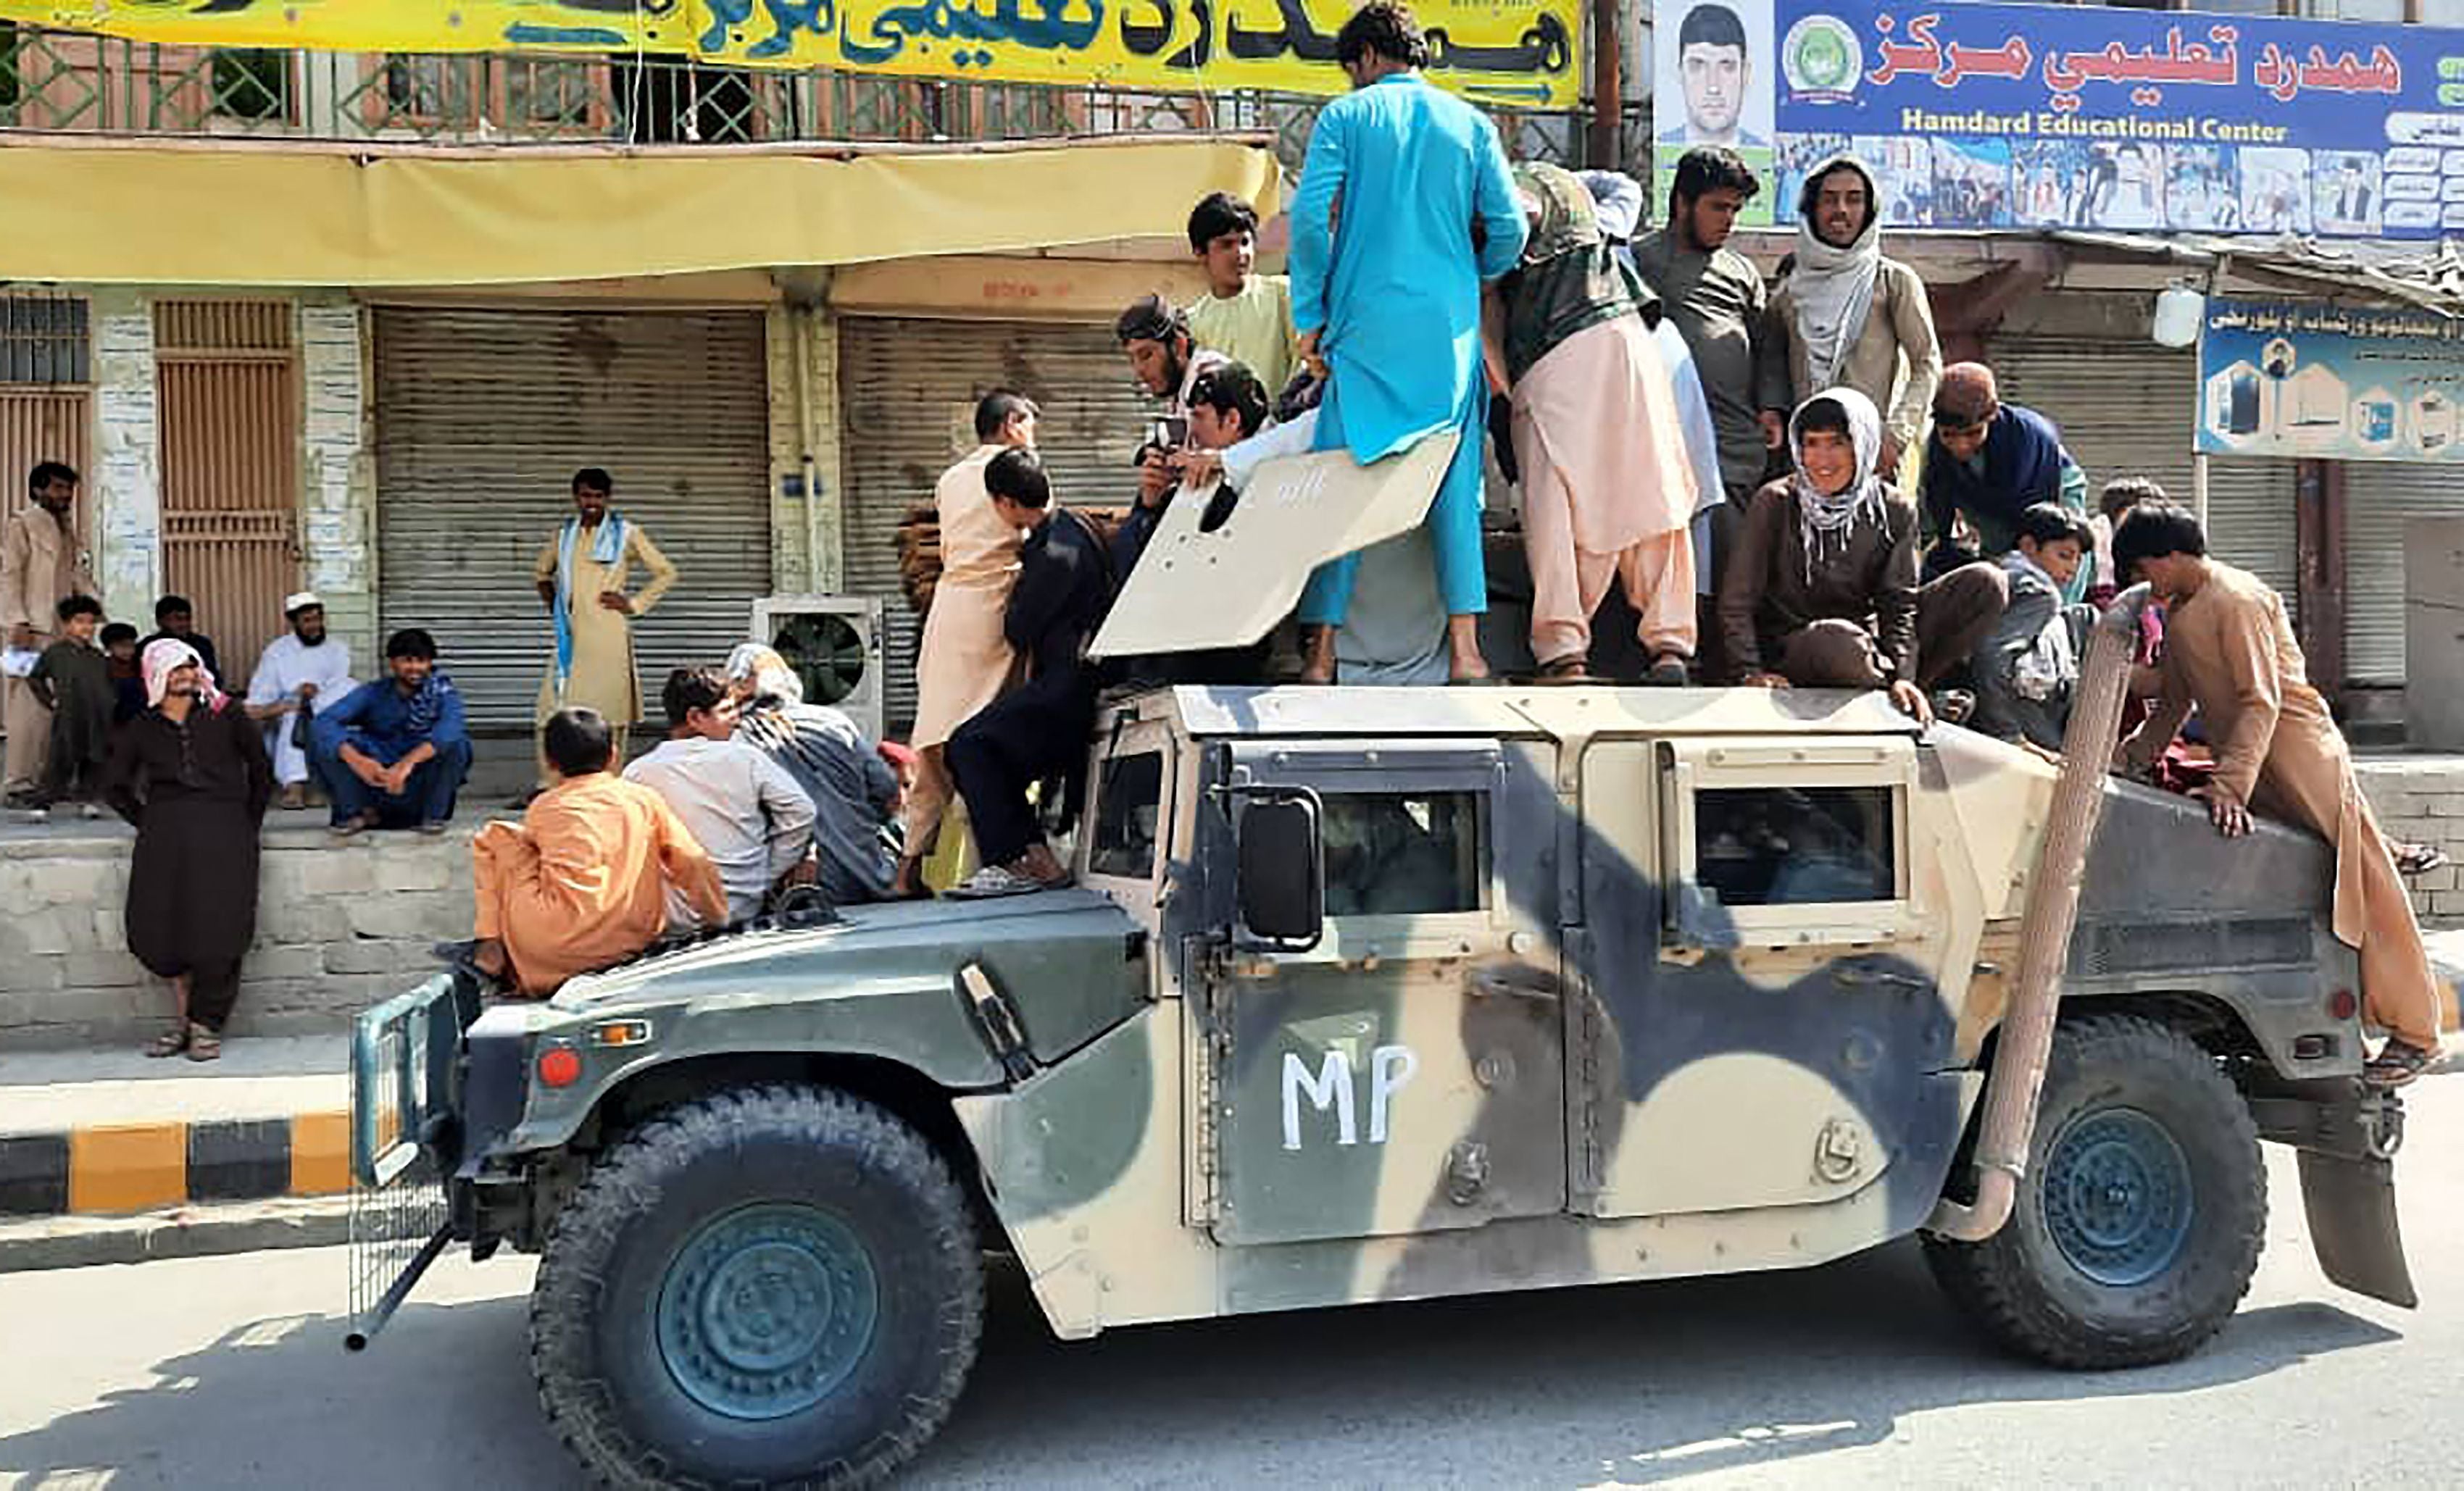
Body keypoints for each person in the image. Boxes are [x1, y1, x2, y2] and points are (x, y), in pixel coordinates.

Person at [2114, 503, 2445, 1086]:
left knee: (2364, 883)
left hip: (2297, 754)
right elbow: (2174, 700)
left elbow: (2260, 699)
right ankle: (2356, 1027)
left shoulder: (2234, 598)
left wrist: (2230, 785)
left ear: (2169, 557)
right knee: (2309, 889)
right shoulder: (2187, 609)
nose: (2147, 583)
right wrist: (2127, 758)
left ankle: (2417, 1034)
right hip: (2256, 761)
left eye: (2146, 568)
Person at [1287, 0, 1526, 684]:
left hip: (1362, 330)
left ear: (1363, 58)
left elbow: (1308, 219)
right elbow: (1509, 227)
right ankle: (1467, 652)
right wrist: (1468, 276)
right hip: (1447, 339)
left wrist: (1311, 312)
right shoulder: (1472, 124)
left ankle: (1322, 653)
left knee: (1343, 487)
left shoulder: (1345, 118)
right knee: (1454, 489)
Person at [1488, 162, 1699, 683]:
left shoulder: (1497, 199)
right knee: (1652, 487)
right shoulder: (1570, 187)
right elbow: (1623, 185)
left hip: (1554, 357)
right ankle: (1670, 645)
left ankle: (1564, 651)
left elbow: (1500, 257)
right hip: (1629, 341)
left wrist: (1509, 387)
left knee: (1557, 499)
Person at [1720, 388, 2007, 723]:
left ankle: (1907, 691)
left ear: (1864, 444)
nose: (1822, 460)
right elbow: (1737, 600)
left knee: (1987, 582)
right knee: (1835, 641)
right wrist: (1750, 671)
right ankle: (1907, 699)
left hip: (1869, 647)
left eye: (1837, 443)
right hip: (1801, 648)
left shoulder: (1894, 508)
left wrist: (1904, 674)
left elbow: (1899, 604)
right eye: (1811, 444)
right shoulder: (1776, 501)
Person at [466, 706, 728, 997]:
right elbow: (691, 861)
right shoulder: (643, 800)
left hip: (548, 949)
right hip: (627, 945)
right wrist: (717, 920)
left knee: (495, 838)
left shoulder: (545, 806)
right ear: (614, 755)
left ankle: (490, 944)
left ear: (550, 763)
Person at [946, 450, 1114, 898]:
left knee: (969, 746)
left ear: (1005, 503)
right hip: (1072, 685)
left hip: (1066, 691)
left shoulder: (1055, 551)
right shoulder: (1072, 530)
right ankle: (1037, 859)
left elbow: (1018, 629)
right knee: (989, 756)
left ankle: (1014, 862)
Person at [896, 389, 1039, 898]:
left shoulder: (950, 479)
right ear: (1011, 424)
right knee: (986, 739)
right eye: (1028, 425)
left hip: (948, 611)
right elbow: (1036, 530)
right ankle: (996, 862)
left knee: (933, 739)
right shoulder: (1017, 469)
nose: (1031, 437)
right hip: (993, 608)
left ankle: (907, 867)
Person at [103, 638, 273, 1062]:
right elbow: (115, 785)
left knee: (220, 927)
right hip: (166, 834)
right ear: (157, 675)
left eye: (190, 667)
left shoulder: (226, 713)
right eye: (175, 669)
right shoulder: (143, 726)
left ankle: (205, 1025)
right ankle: (183, 1022)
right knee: (161, 925)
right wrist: (149, 822)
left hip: (225, 830)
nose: (185, 675)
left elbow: (261, 771)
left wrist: (244, 824)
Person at [1767, 156, 1943, 478]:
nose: (1842, 210)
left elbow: (1927, 363)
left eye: (1854, 199)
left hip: (1873, 459)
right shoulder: (1788, 294)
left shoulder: (1892, 281)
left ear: (1870, 209)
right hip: (1806, 463)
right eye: (1830, 199)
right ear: (1811, 208)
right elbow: (1772, 370)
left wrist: (1896, 438)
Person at [1115, 362, 1273, 688]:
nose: (1192, 431)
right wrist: (1149, 502)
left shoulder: (1267, 485)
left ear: (1232, 420)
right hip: (1163, 665)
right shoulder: (1187, 486)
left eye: (1200, 417)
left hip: (1220, 671)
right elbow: (1128, 565)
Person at [625, 666, 818, 930]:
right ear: (695, 717)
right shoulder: (746, 758)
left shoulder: (637, 773)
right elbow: (802, 812)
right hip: (743, 905)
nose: (737, 720)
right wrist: (768, 871)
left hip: (673, 914)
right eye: (727, 711)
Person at [725, 643, 901, 906]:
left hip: (800, 880)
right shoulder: (834, 722)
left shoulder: (741, 739)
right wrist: (855, 820)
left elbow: (747, 818)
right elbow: (885, 788)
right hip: (870, 867)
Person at [532, 467, 676, 776]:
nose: (592, 502)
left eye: (598, 496)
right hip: (571, 635)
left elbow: (666, 572)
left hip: (608, 634)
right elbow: (542, 574)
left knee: (611, 712)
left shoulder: (627, 534)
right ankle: (549, 784)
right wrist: (556, 605)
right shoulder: (563, 536)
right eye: (586, 495)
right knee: (551, 708)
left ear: (608, 498)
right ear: (576, 497)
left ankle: (609, 780)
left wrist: (633, 604)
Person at [1921, 363, 2089, 590]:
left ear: (1991, 418)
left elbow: (2042, 528)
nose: (1960, 446)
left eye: (1973, 433)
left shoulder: (2025, 441)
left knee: (2059, 561)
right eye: (1949, 435)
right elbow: (1928, 521)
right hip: (1990, 511)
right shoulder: (1937, 456)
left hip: (2050, 490)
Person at [309, 627, 473, 836]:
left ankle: (433, 818)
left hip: (417, 785)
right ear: (393, 663)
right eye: (407, 661)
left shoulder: (444, 694)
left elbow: (449, 731)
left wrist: (406, 765)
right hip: (376, 782)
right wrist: (359, 761)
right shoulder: (373, 692)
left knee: (458, 744)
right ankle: (353, 814)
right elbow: (324, 722)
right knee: (323, 738)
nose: (415, 668)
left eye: (421, 661)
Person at [3, 461, 95, 805]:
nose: (65, 495)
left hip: (61, 631)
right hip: (28, 630)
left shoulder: (67, 528)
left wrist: (95, 613)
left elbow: (77, 576)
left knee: (59, 704)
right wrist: (18, 622)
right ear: (39, 490)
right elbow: (9, 574)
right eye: (57, 488)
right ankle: (17, 783)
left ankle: (49, 780)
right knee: (25, 706)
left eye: (68, 489)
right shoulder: (22, 524)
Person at [1971, 504, 2094, 751]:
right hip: (2014, 723)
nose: (2072, 569)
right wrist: (2008, 733)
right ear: (2029, 546)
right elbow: (1992, 657)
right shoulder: (2039, 594)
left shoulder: (2003, 571)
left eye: (2078, 560)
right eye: (2064, 555)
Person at [1118, 295, 1233, 518]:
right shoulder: (1182, 391)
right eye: (1132, 359)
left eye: (1146, 355)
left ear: (1179, 346)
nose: (1139, 370)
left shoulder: (1210, 379)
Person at [243, 591, 358, 811]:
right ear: (293, 622)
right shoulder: (277, 652)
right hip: (290, 711)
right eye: (307, 621)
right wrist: (294, 698)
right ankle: (294, 786)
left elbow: (339, 686)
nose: (314, 625)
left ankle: (323, 786)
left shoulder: (338, 649)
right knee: (295, 714)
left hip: (328, 708)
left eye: (317, 619)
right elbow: (255, 705)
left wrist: (317, 694)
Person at [1183, 192, 1299, 400]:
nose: (1240, 254)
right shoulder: (1193, 323)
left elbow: (1304, 366)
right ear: (1200, 253)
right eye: (1226, 245)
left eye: (1245, 242)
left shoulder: (1283, 295)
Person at [26, 595, 112, 815]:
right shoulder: (55, 653)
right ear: (66, 625)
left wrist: (110, 704)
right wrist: (50, 701)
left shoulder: (98, 656)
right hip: (68, 714)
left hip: (96, 715)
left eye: (91, 622)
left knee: (93, 757)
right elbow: (35, 677)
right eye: (80, 621)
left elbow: (108, 684)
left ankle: (88, 800)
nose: (87, 627)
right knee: (60, 758)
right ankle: (43, 803)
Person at [1657, 3, 1768, 149]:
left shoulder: (1766, 153)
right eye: (1697, 66)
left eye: (1727, 66)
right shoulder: (1658, 149)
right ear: (1680, 72)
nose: (1713, 87)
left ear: (1745, 74)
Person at [139, 595, 220, 688]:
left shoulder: (201, 644)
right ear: (160, 621)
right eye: (178, 619)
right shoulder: (149, 646)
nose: (183, 624)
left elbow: (213, 677)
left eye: (187, 619)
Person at [101, 622, 144, 727]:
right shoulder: (102, 669)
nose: (128, 650)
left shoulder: (140, 666)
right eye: (122, 646)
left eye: (131, 645)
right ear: (109, 647)